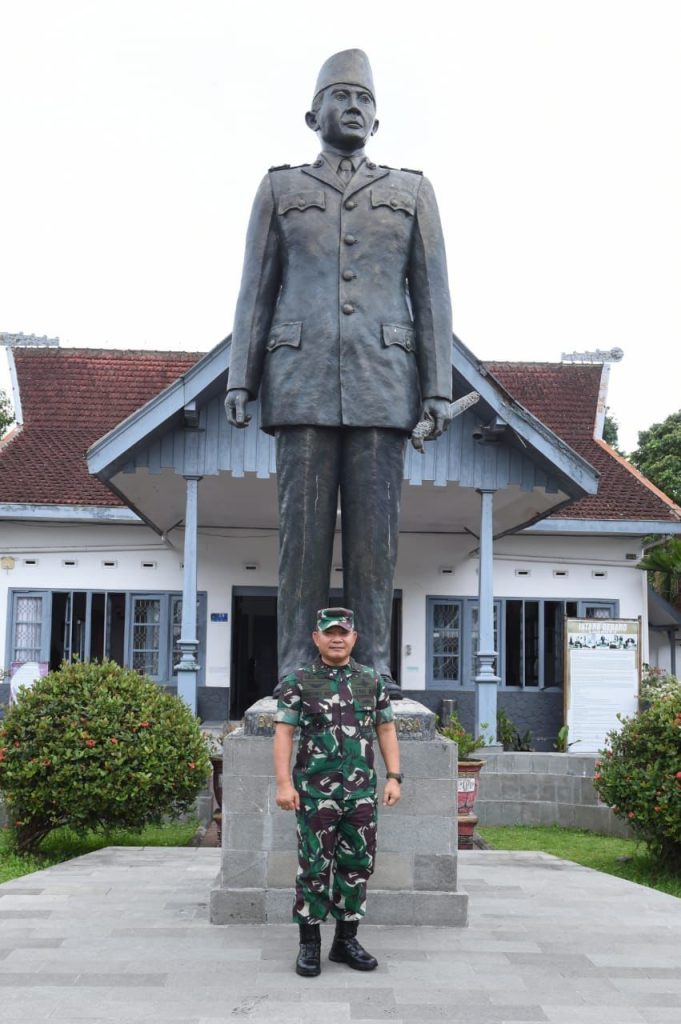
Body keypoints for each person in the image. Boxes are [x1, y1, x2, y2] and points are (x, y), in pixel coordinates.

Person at [225, 49, 454, 689]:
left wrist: (437, 389)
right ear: (313, 113)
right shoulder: (281, 188)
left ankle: (374, 667)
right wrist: (241, 377)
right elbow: (256, 290)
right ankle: (297, 669)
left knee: (375, 541)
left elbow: (431, 295)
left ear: (377, 122)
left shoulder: (411, 192)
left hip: (385, 381)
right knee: (300, 538)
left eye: (365, 100)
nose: (354, 108)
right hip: (299, 379)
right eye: (341, 96)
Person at [273, 607, 402, 976]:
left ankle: (345, 942)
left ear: (354, 638)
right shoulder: (299, 681)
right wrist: (284, 784)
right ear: (316, 638)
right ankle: (309, 945)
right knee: (314, 867)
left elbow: (387, 730)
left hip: (360, 795)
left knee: (357, 866)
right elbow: (283, 734)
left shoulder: (370, 680)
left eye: (343, 632)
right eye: (329, 632)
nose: (336, 638)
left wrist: (394, 777)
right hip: (315, 795)